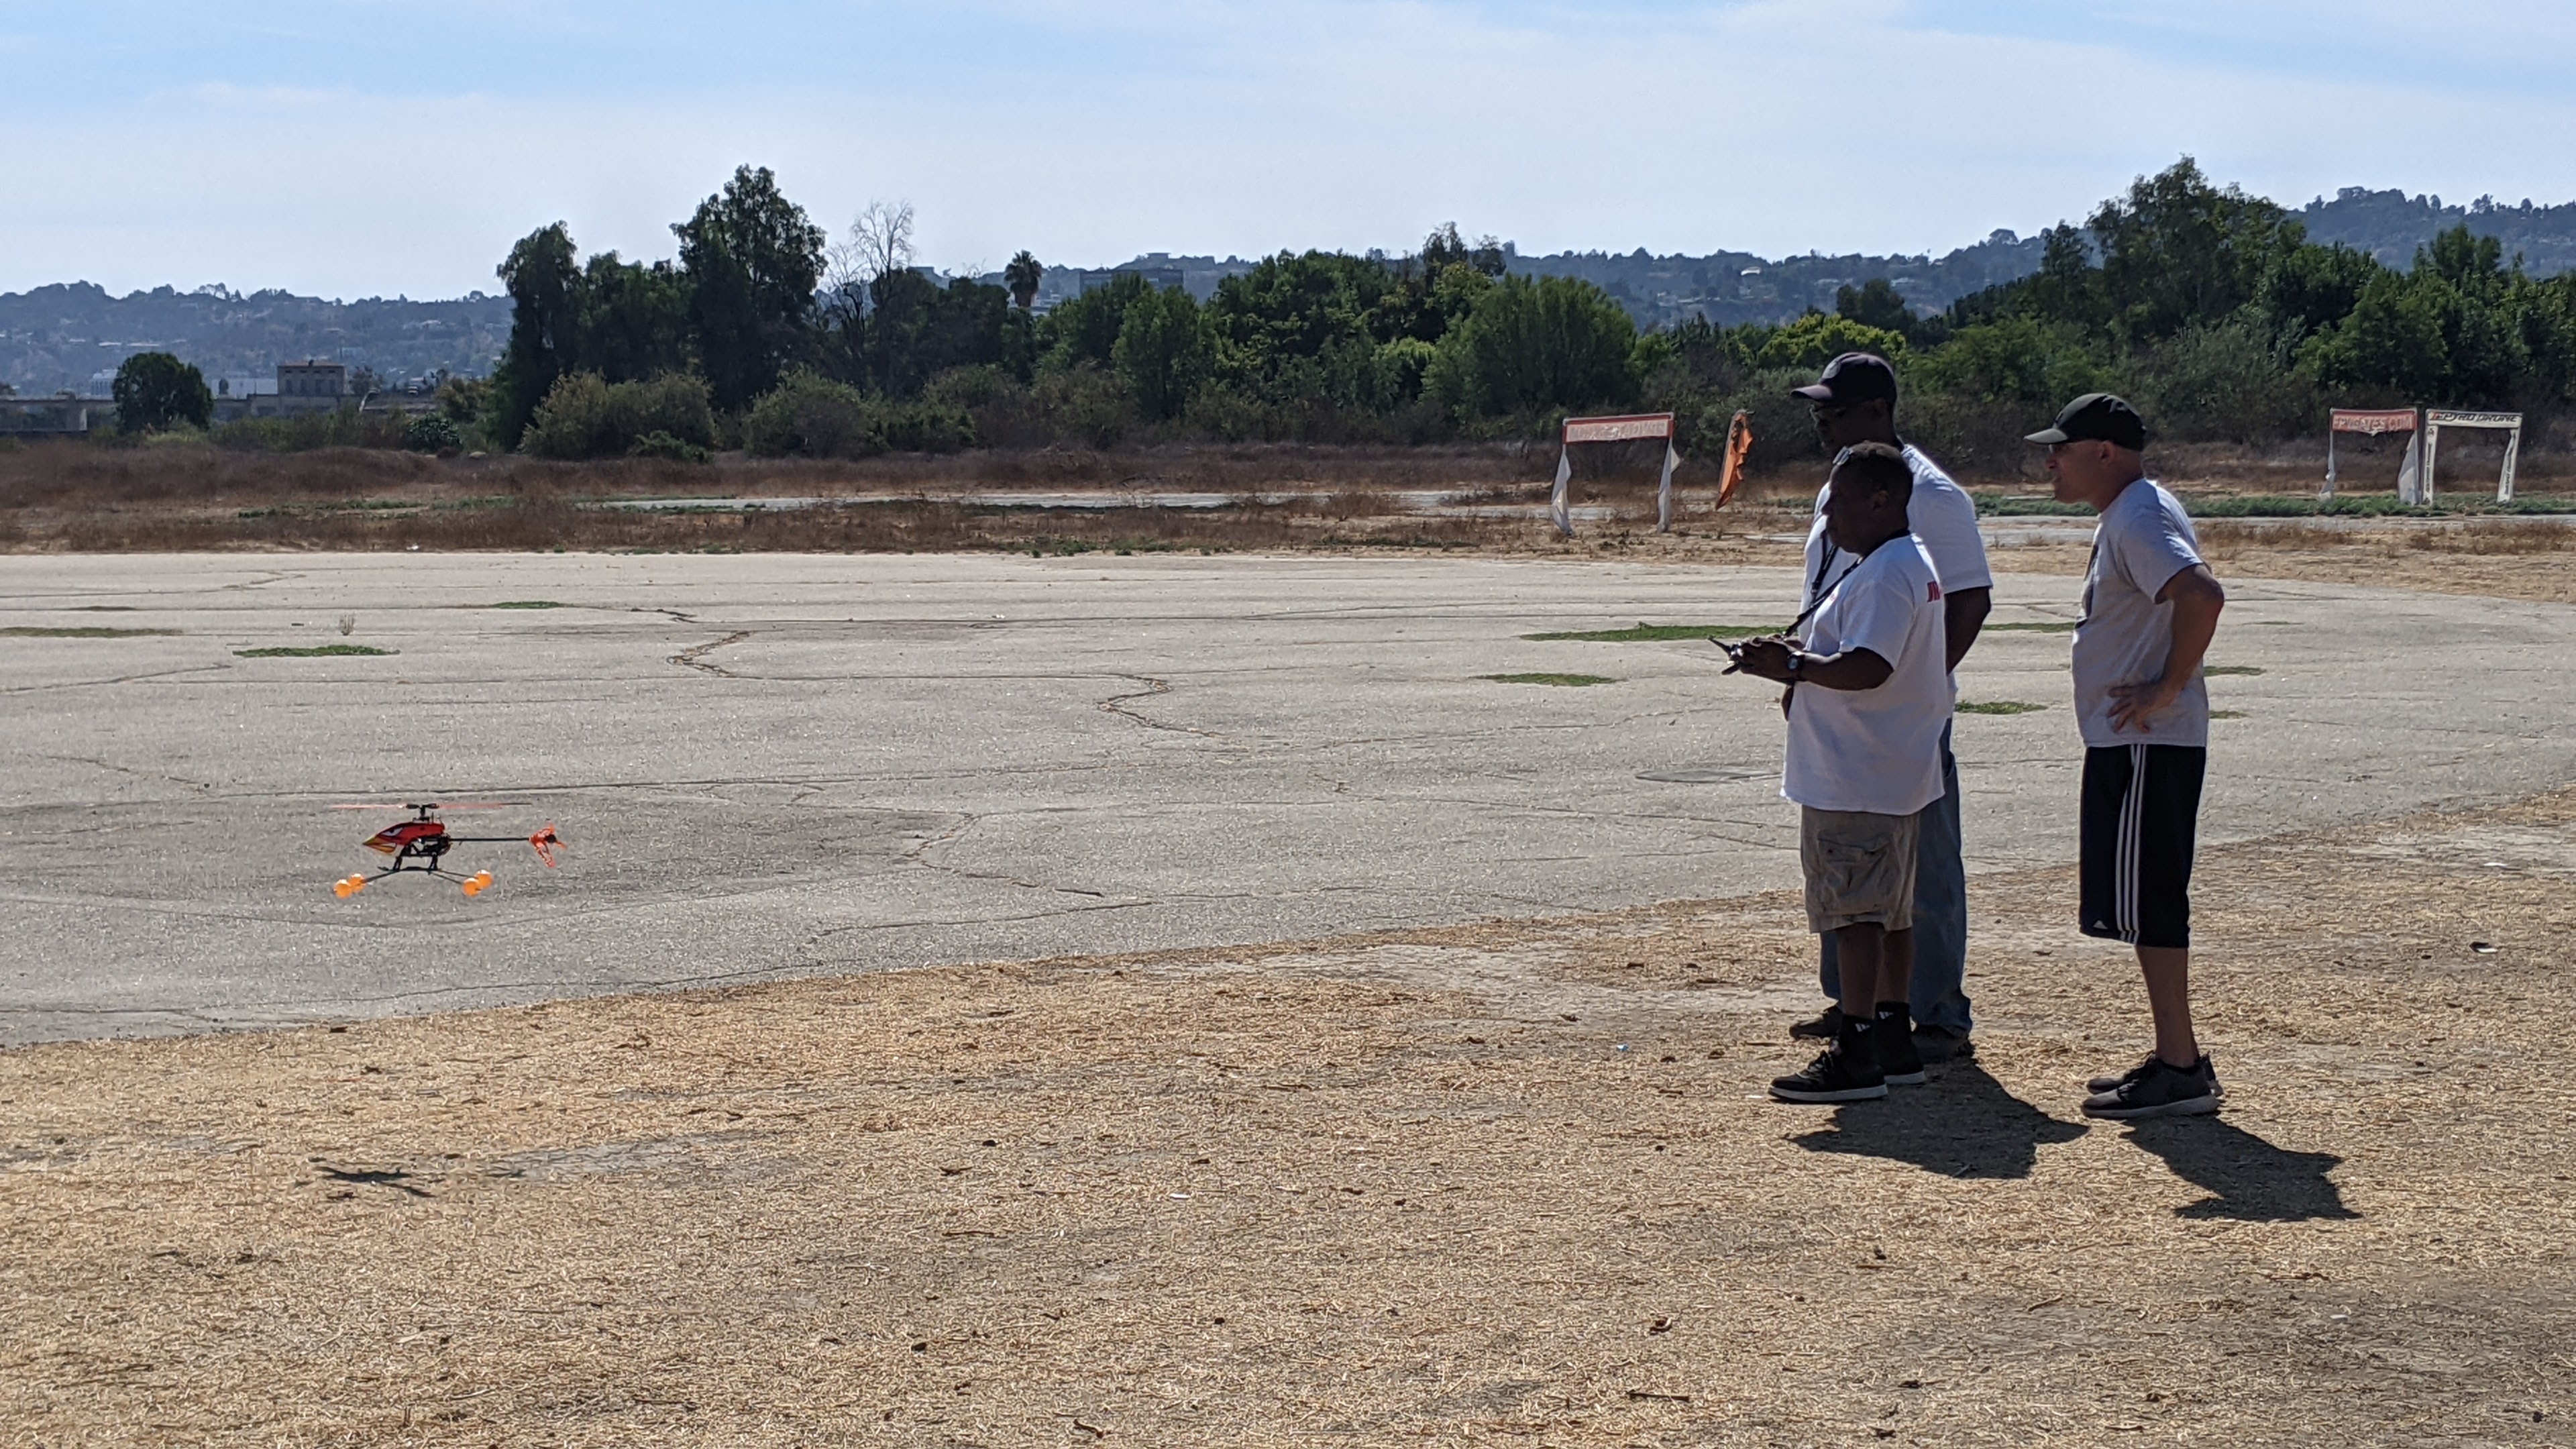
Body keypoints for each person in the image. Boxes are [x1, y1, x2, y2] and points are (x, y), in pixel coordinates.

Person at [1729, 443, 1955, 1103]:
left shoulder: (1888, 572)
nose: (1829, 516)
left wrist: (1794, 669)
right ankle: (1890, 1034)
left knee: (1855, 913)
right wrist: (1797, 656)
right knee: (1891, 913)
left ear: (1882, 500)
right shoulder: (1899, 565)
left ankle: (1856, 1047)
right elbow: (1862, 653)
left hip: (1858, 772)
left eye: (1841, 501)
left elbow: (1870, 667)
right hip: (1890, 769)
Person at [1786, 353, 1992, 1063]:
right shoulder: (1846, 482)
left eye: (1834, 410)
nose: (1821, 422)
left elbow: (1969, 599)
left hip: (1897, 720)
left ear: (1878, 408)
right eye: (1819, 410)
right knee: (1852, 870)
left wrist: (1914, 692)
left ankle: (1934, 1015)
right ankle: (1858, 1009)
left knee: (1920, 871)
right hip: (1845, 710)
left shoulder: (1929, 495)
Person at [2028, 393, 2227, 1120]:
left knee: (2154, 902)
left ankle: (2181, 1066)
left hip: (2149, 742)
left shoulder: (2139, 514)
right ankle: (2176, 1057)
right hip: (2135, 742)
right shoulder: (2135, 510)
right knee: (2144, 904)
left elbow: (2201, 595)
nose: (2050, 461)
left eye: (2062, 448)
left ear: (2104, 452)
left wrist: (2166, 687)